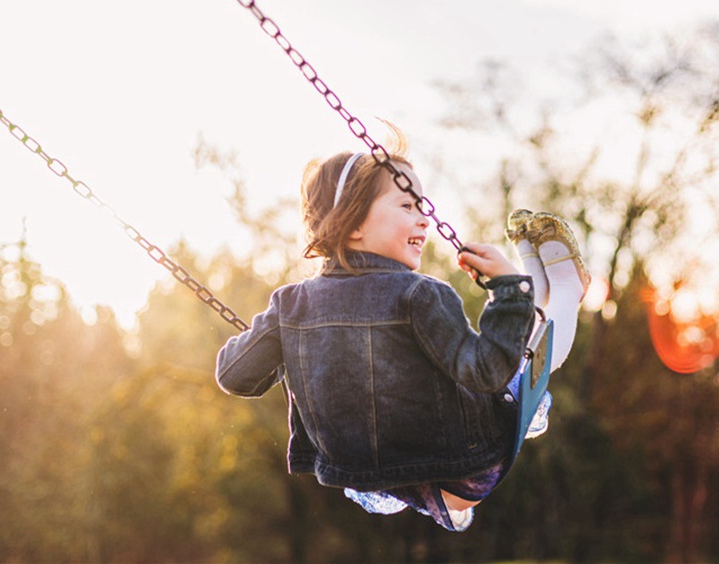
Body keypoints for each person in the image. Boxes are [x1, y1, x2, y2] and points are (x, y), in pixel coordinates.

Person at [215, 135, 589, 531]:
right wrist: (508, 289)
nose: (424, 218)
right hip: (463, 467)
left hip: (376, 480)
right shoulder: (420, 294)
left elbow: (234, 375)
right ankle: (565, 289)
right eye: (407, 205)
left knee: (523, 344)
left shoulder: (290, 305)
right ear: (353, 224)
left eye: (422, 207)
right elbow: (488, 372)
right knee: (528, 364)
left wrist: (281, 340)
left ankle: (537, 290)